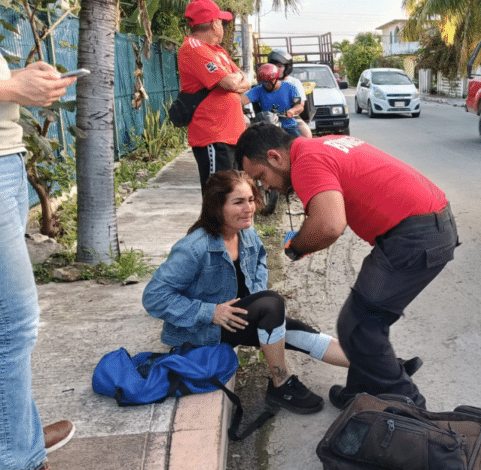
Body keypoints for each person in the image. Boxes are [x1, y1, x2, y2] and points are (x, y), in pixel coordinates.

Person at [235, 123, 459, 410]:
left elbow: (329, 225)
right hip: (434, 224)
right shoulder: (325, 144)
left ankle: (412, 410)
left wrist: (298, 247)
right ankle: (361, 391)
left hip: (414, 236)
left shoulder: (305, 163)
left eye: (261, 177)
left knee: (359, 327)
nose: (265, 187)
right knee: (363, 321)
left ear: (275, 157)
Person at [142, 170, 352, 414]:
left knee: (300, 333)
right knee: (272, 305)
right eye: (238, 202)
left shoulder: (247, 234)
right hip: (201, 332)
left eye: (251, 200)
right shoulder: (194, 248)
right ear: (216, 206)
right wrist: (210, 312)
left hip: (236, 320)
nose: (249, 208)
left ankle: (383, 369)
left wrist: (256, 299)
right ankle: (281, 383)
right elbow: (154, 297)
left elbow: (260, 262)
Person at [0, 58, 77, 470]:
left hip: (7, 156)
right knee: (11, 323)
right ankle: (16, 456)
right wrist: (11, 89)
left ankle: (16, 434)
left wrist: (14, 79)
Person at [179, 0, 251, 192]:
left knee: (231, 195)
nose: (223, 26)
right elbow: (229, 83)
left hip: (231, 135)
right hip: (214, 136)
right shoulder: (194, 48)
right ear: (214, 23)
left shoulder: (217, 51)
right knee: (218, 197)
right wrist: (234, 79)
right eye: (221, 21)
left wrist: (234, 79)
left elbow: (246, 81)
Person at [241, 63, 303, 137]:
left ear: (276, 79)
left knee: (299, 144)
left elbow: (299, 106)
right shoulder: (258, 89)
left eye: (268, 83)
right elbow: (241, 101)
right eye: (263, 83)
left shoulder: (291, 88)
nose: (266, 86)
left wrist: (292, 111)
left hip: (288, 126)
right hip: (268, 128)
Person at [267, 49, 313, 138]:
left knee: (306, 134)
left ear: (287, 67)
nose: (277, 69)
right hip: (267, 118)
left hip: (290, 117)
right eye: (274, 66)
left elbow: (300, 105)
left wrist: (292, 111)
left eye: (280, 66)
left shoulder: (294, 83)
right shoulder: (265, 82)